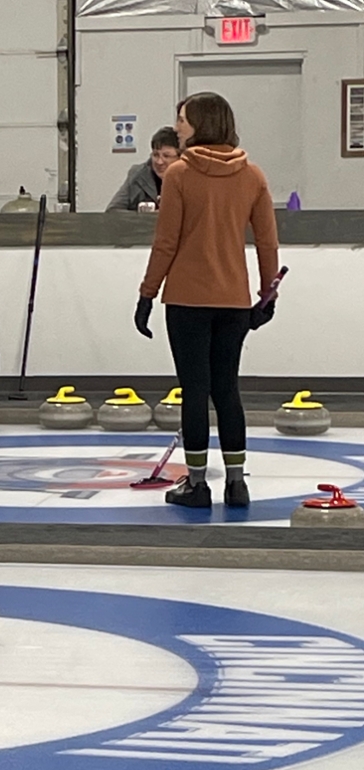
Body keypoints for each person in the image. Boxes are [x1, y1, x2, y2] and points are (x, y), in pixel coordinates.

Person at [133, 92, 279, 509]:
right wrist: (268, 293)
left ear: (200, 123)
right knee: (227, 389)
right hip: (233, 299)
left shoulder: (179, 174)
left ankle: (196, 485)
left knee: (194, 391)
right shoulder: (252, 175)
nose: (177, 127)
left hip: (186, 298)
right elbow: (267, 242)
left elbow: (166, 243)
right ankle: (237, 484)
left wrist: (147, 293)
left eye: (182, 120)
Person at [106, 127, 181, 212]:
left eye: (166, 156)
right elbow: (112, 211)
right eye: (155, 155)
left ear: (180, 157)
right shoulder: (138, 175)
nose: (159, 162)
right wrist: (145, 217)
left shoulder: (189, 179)